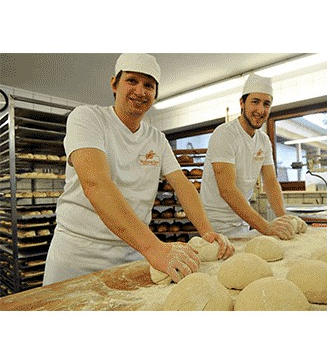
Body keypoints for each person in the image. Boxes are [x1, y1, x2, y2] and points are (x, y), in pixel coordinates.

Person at [43, 53, 234, 286]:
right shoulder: (87, 118)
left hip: (131, 252)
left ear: (155, 94)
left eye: (149, 85)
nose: (140, 91)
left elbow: (183, 185)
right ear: (114, 84)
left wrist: (206, 231)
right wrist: (155, 249)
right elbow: (96, 184)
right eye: (132, 81)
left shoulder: (157, 139)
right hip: (79, 253)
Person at [200, 73, 307, 239]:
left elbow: (271, 182)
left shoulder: (263, 141)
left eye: (266, 104)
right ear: (242, 103)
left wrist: (283, 217)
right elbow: (227, 190)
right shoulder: (224, 134)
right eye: (255, 102)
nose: (261, 110)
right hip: (214, 225)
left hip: (242, 221)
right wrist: (265, 227)